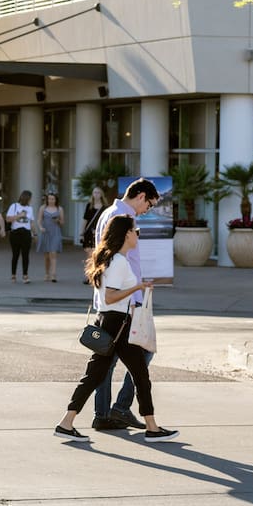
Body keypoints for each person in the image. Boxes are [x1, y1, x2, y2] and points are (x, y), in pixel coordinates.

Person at [54, 215, 179, 443]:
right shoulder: (118, 261)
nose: (137, 234)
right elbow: (111, 297)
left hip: (112, 322)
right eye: (135, 230)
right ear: (126, 234)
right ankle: (151, 428)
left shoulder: (113, 259)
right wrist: (138, 287)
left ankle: (66, 422)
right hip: (117, 324)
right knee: (136, 374)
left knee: (97, 375)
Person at [91, 177, 160, 431]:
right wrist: (134, 298)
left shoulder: (109, 213)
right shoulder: (124, 218)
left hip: (115, 296)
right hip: (126, 299)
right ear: (141, 196)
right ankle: (117, 408)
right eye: (149, 205)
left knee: (107, 356)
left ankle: (105, 411)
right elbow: (121, 262)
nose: (147, 210)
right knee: (142, 351)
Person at [35, 192, 65, 282]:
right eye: (49, 199)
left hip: (55, 232)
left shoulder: (59, 209)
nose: (51, 201)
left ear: (56, 200)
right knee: (47, 255)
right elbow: (39, 220)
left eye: (53, 199)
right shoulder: (43, 208)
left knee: (53, 252)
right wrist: (40, 227)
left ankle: (53, 274)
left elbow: (62, 222)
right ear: (47, 200)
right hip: (45, 232)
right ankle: (47, 273)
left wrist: (58, 221)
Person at [6, 190, 35, 283]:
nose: (31, 200)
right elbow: (8, 219)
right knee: (15, 254)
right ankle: (13, 275)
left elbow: (31, 222)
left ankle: (25, 275)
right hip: (15, 233)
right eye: (30, 198)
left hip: (26, 233)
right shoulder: (14, 206)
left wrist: (34, 233)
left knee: (25, 255)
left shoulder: (30, 208)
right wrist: (19, 216)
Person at [80, 186, 106, 284]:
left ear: (101, 194)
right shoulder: (89, 206)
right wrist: (82, 233)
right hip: (89, 233)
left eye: (98, 192)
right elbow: (85, 220)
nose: (96, 194)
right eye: (94, 192)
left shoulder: (105, 207)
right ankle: (89, 276)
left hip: (100, 233)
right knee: (90, 255)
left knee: (99, 255)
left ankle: (98, 275)